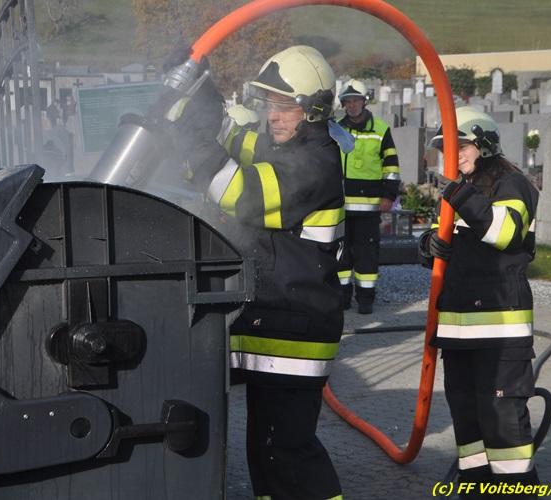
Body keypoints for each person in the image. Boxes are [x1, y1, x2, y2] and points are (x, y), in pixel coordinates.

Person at [167, 45, 345, 499]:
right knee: (267, 454)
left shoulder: (317, 162)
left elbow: (242, 194)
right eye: (270, 104)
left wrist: (197, 148)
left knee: (289, 455)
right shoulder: (277, 144)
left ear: (313, 109)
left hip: (296, 329)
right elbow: (228, 134)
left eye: (285, 106)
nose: (273, 116)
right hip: (273, 321)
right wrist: (199, 85)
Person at [420, 106, 540, 498]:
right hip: (458, 333)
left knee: (504, 429)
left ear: (484, 145)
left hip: (500, 333)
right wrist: (429, 245)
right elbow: (440, 238)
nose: (453, 155)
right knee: (468, 429)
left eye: (462, 145)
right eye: (446, 148)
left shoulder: (512, 185)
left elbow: (504, 233)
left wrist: (457, 193)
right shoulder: (460, 192)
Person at [336, 79, 400, 314]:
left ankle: (365, 299)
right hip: (340, 207)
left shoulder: (380, 130)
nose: (352, 105)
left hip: (369, 207)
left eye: (356, 100)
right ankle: (342, 297)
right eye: (348, 101)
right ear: (343, 104)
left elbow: (391, 165)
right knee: (340, 256)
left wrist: (389, 195)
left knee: (367, 256)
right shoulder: (336, 129)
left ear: (364, 102)